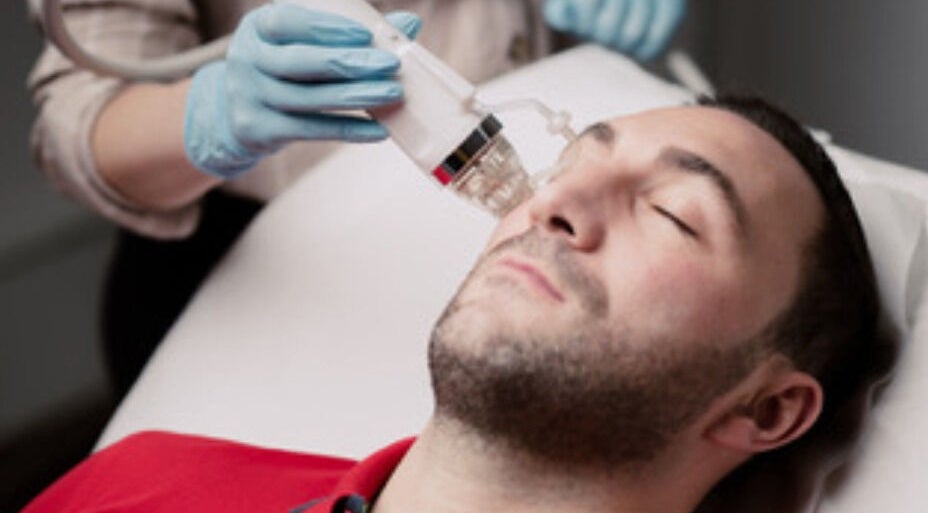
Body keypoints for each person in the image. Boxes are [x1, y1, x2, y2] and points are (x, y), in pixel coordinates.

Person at [20, 94, 886, 513]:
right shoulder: (153, 484)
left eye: (671, 214)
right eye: (569, 163)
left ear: (768, 407)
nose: (555, 204)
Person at [27, 0, 688, 395]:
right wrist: (217, 116)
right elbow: (79, 120)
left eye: (675, 213)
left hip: (472, 257)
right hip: (260, 276)